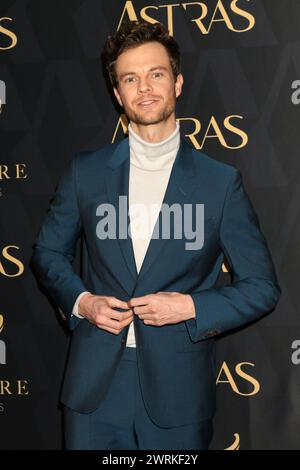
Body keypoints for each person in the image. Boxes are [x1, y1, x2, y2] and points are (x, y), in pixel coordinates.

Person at [30, 20, 281, 450]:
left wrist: (189, 306)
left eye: (156, 74)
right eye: (131, 78)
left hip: (178, 396)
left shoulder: (219, 184)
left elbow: (262, 288)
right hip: (94, 390)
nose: (144, 88)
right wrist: (82, 301)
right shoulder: (85, 173)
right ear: (117, 94)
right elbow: (47, 253)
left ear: (178, 83)